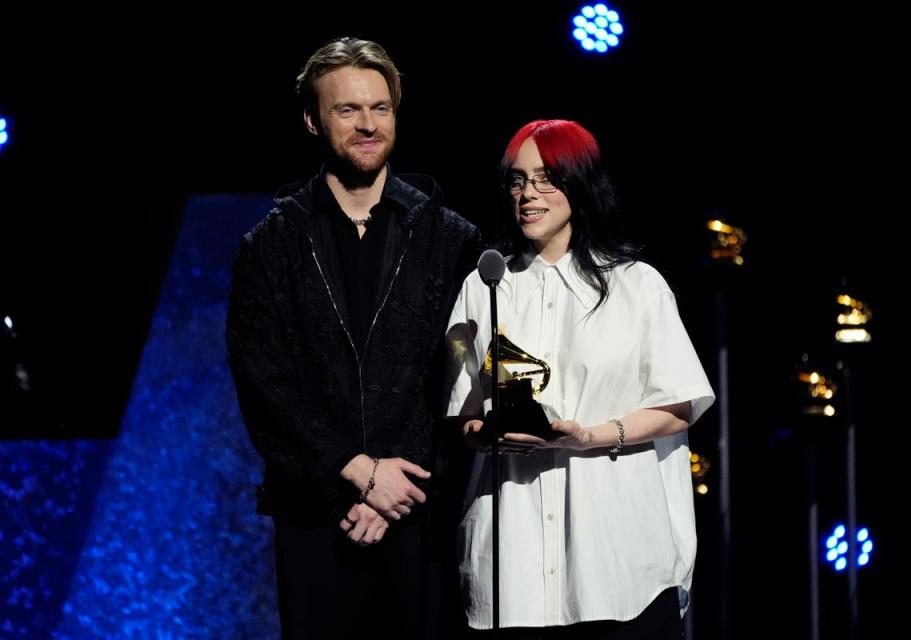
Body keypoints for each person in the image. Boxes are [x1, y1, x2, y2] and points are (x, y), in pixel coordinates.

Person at [226, 37, 480, 639]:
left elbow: (463, 374)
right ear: (313, 120)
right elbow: (265, 382)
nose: (368, 124)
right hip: (316, 515)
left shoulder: (452, 240)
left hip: (422, 513)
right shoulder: (270, 245)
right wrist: (357, 469)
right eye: (348, 110)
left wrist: (397, 483)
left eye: (380, 108)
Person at [446, 119, 715, 638]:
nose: (528, 194)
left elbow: (680, 404)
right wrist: (490, 436)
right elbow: (463, 414)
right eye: (518, 180)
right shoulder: (482, 289)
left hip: (617, 563)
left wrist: (590, 437)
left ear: (580, 183)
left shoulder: (637, 286)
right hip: (513, 568)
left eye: (546, 178)